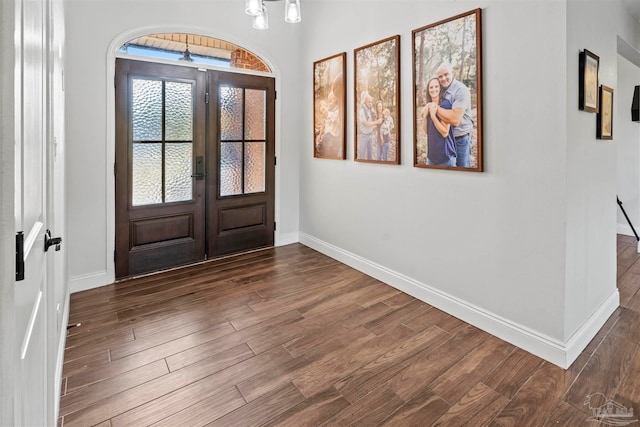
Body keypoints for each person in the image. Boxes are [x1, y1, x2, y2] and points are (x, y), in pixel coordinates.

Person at [430, 62, 474, 167]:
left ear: (452, 72)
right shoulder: (441, 89)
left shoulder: (461, 90)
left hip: (460, 138)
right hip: (446, 139)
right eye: (440, 76)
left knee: (463, 170)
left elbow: (455, 120)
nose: (443, 78)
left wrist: (434, 108)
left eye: (446, 74)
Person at [422, 77, 456, 166]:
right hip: (431, 157)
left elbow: (445, 132)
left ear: (440, 88)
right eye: (431, 87)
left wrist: (433, 116)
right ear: (428, 90)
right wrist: (425, 117)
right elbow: (426, 131)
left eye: (436, 86)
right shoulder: (428, 105)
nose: (434, 89)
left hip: (445, 157)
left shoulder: (445, 104)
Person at [357, 94, 381, 160]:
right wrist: (377, 122)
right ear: (365, 102)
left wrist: (374, 114)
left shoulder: (371, 109)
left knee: (370, 156)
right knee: (362, 156)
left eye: (371, 102)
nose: (370, 103)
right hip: (364, 136)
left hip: (370, 135)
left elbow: (374, 119)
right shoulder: (362, 112)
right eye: (369, 102)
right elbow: (367, 124)